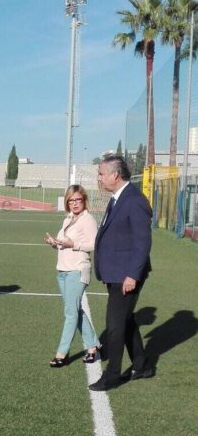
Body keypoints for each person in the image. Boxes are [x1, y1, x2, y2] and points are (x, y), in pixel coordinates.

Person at [89, 155, 155, 392]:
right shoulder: (117, 198)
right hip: (116, 273)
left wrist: (132, 275)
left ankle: (112, 375)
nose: (99, 178)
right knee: (125, 320)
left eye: (101, 173)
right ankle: (142, 364)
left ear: (115, 175)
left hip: (126, 275)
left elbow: (142, 243)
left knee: (115, 325)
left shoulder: (134, 200)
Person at [45, 185, 101, 368]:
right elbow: (65, 243)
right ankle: (93, 346)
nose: (75, 203)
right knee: (75, 311)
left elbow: (94, 244)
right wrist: (55, 243)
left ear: (84, 200)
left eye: (78, 200)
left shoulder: (88, 220)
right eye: (71, 200)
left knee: (70, 313)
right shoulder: (68, 218)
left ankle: (62, 353)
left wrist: (74, 244)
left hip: (77, 271)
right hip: (63, 270)